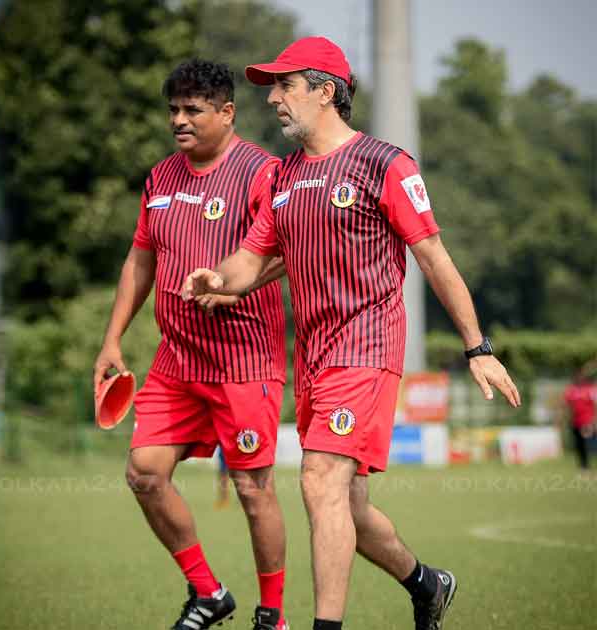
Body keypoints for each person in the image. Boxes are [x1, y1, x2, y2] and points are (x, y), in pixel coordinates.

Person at [181, 36, 522, 630]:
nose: (275, 101)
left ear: (325, 91)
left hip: (367, 347)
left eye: (285, 87)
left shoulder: (385, 163)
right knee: (348, 506)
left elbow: (435, 259)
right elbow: (250, 258)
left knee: (318, 483)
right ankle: (426, 582)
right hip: (314, 356)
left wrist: (478, 347)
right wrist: (219, 277)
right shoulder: (283, 176)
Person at [93, 59, 290, 630]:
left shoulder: (264, 172)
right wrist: (111, 341)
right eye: (173, 110)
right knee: (145, 473)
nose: (179, 120)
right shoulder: (159, 179)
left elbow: (288, 248)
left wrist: (238, 284)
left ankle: (272, 617)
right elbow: (140, 259)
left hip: (244, 359)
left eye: (192, 110)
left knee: (254, 490)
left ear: (227, 113)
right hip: (176, 360)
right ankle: (208, 592)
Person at [562, 366, 596, 470]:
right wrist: (565, 418)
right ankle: (583, 465)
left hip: (587, 421)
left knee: (587, 443)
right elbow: (566, 404)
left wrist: (594, 420)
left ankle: (587, 465)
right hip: (575, 422)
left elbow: (595, 404)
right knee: (579, 444)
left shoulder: (590, 389)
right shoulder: (571, 390)